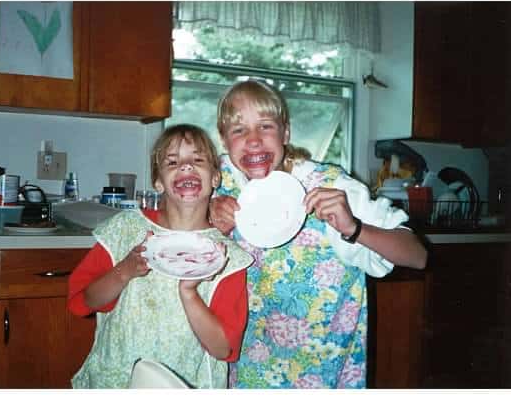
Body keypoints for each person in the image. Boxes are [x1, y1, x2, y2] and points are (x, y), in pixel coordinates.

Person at [209, 79, 428, 389]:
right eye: (239, 130)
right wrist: (207, 221)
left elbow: (417, 256)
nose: (254, 141)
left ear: (285, 133)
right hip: (243, 375)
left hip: (322, 375)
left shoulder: (331, 186)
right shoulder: (219, 183)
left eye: (266, 126)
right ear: (224, 140)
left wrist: (354, 227)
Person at [68, 124, 253, 388]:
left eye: (197, 160)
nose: (186, 167)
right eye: (172, 161)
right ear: (158, 181)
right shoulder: (125, 229)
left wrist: (190, 293)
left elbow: (223, 348)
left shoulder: (228, 258)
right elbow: (82, 301)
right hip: (113, 380)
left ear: (215, 178)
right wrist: (125, 270)